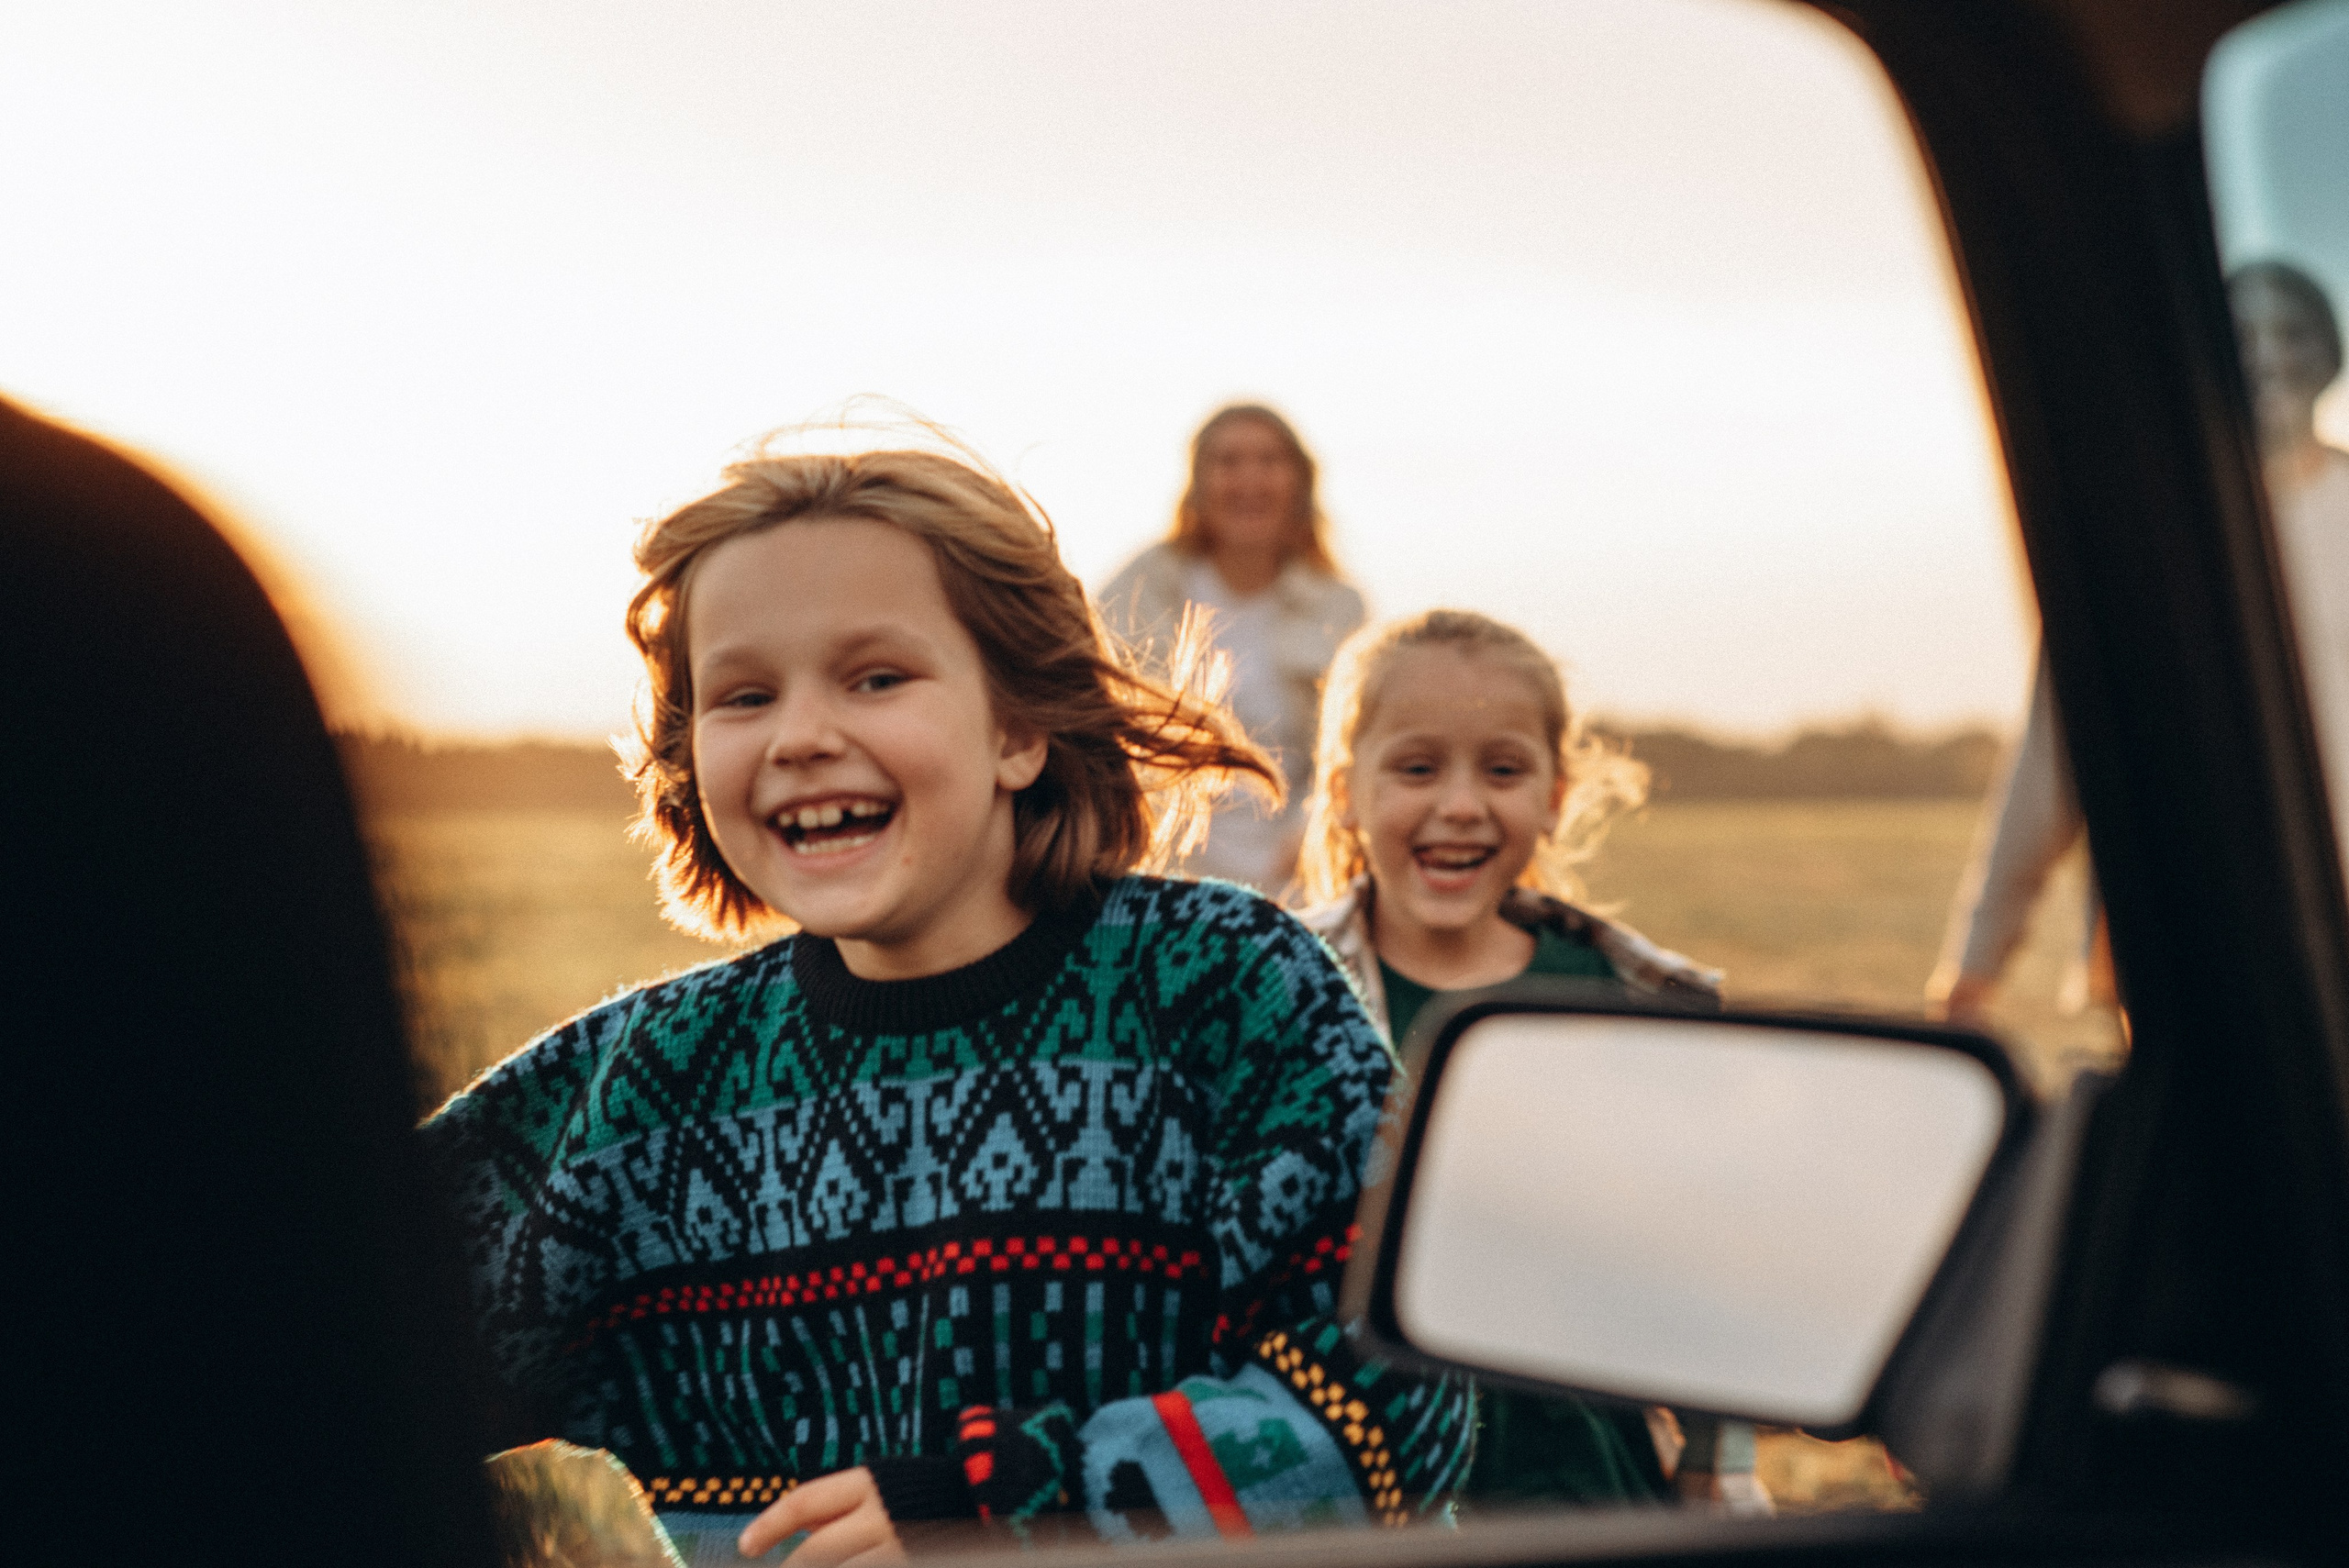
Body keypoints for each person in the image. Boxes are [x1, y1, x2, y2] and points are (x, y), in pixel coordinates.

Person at [421, 442, 1475, 1565]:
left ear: (1017, 728)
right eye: (744, 695)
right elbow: (333, 1340)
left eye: (876, 677)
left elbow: (1395, 1399)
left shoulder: (1226, 987)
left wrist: (1012, 1507)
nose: (799, 735)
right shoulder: (650, 1083)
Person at [1289, 609, 1767, 1516]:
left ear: (1556, 796)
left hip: (1590, 1485)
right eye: (1417, 767)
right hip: (1368, 1494)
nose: (1461, 803)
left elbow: (1708, 1254)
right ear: (1346, 791)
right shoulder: (1282, 991)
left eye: (1502, 770)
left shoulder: (1628, 997)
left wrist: (1716, 1463)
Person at [1932, 260, 2347, 1022]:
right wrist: (1977, 960)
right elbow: (2055, 752)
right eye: (2244, 335)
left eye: (2293, 334)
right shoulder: (2137, 528)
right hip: (2180, 969)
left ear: (2332, 356)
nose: (2269, 356)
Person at [1098, 405, 1366, 892]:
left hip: (1295, 871)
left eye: (1269, 461)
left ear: (1300, 483)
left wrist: (1310, 833)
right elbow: (1094, 723)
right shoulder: (1138, 589)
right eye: (1228, 461)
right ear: (1197, 482)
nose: (1249, 480)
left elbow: (1359, 744)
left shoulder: (1340, 609)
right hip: (1156, 860)